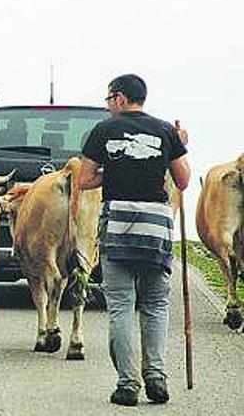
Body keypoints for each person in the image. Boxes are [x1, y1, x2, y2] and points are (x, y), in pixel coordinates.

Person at [79, 74, 190, 407]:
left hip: (119, 226)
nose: (107, 105)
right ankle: (156, 377)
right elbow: (182, 181)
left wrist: (112, 171)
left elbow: (85, 180)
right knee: (155, 305)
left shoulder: (102, 131)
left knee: (121, 307)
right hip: (155, 228)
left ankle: (128, 384)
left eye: (108, 98)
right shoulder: (165, 131)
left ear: (120, 98)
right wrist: (182, 143)